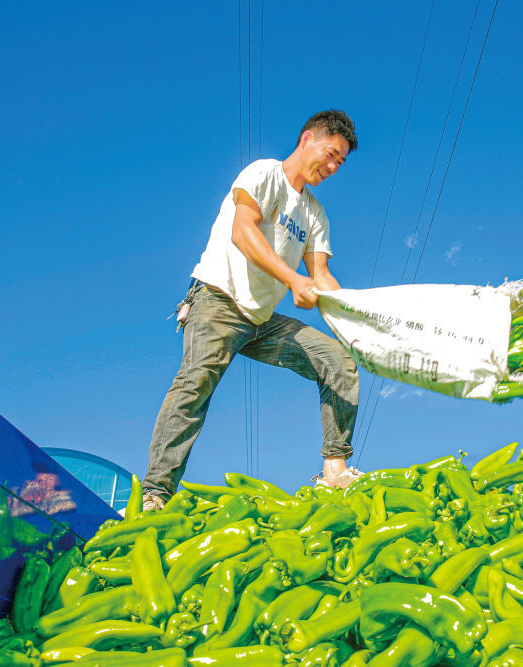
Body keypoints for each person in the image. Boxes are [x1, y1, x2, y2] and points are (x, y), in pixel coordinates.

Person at [141, 110, 363, 511]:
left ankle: (335, 471)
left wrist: (359, 318)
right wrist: (293, 281)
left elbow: (321, 275)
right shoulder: (265, 173)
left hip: (261, 322)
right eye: (330, 154)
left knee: (338, 360)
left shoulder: (315, 214)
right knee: (196, 382)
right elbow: (243, 231)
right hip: (218, 301)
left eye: (340, 163)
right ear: (307, 138)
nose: (332, 167)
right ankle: (156, 493)